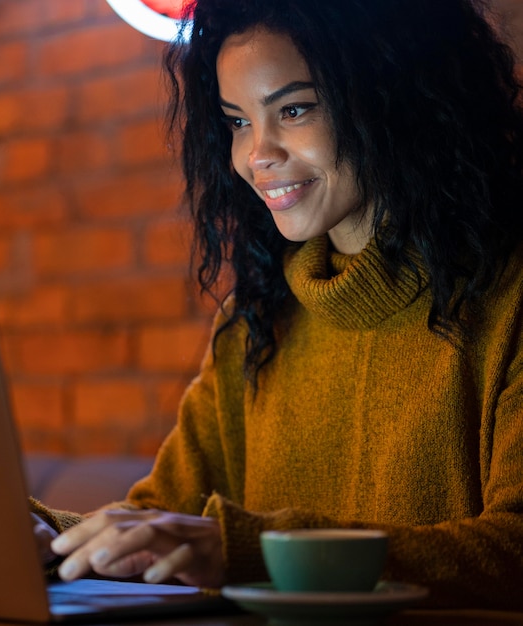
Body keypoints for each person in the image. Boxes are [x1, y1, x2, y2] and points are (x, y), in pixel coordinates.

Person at [31, 0, 523, 609]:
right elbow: (162, 521)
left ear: (397, 99)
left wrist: (252, 550)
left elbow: (511, 550)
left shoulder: (508, 297)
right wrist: (39, 534)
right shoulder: (257, 320)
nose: (256, 155)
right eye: (237, 121)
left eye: (294, 109)